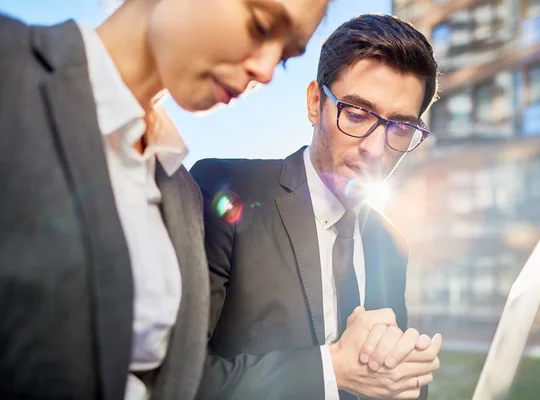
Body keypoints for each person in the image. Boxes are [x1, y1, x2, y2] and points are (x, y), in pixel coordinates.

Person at [0, 0, 328, 399]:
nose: (266, 70)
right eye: (260, 26)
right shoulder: (9, 66)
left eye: (287, 57)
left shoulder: (183, 194)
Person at [190, 13, 442, 400]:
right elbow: (182, 378)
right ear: (314, 103)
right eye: (357, 114)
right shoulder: (225, 188)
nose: (375, 149)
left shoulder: (392, 244)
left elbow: (385, 378)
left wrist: (408, 379)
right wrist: (331, 371)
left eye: (400, 128)